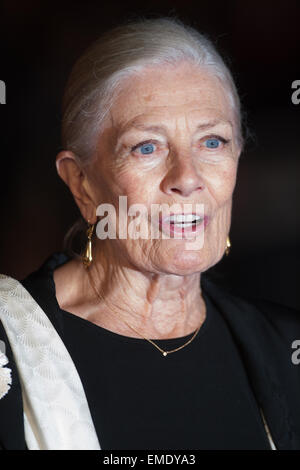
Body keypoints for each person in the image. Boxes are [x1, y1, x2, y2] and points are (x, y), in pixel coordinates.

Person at [0, 17, 299, 451]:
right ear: (81, 182)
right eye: (146, 147)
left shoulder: (284, 351)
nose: (187, 177)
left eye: (212, 142)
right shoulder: (10, 349)